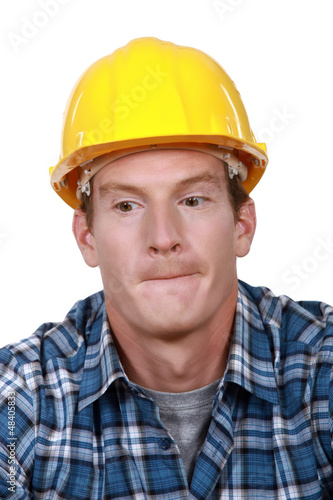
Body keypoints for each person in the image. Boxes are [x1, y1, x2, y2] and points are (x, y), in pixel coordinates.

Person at [0, 37, 332, 499]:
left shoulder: (321, 369)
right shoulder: (20, 400)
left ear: (242, 224)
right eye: (127, 205)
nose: (162, 237)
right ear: (86, 237)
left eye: (192, 200)